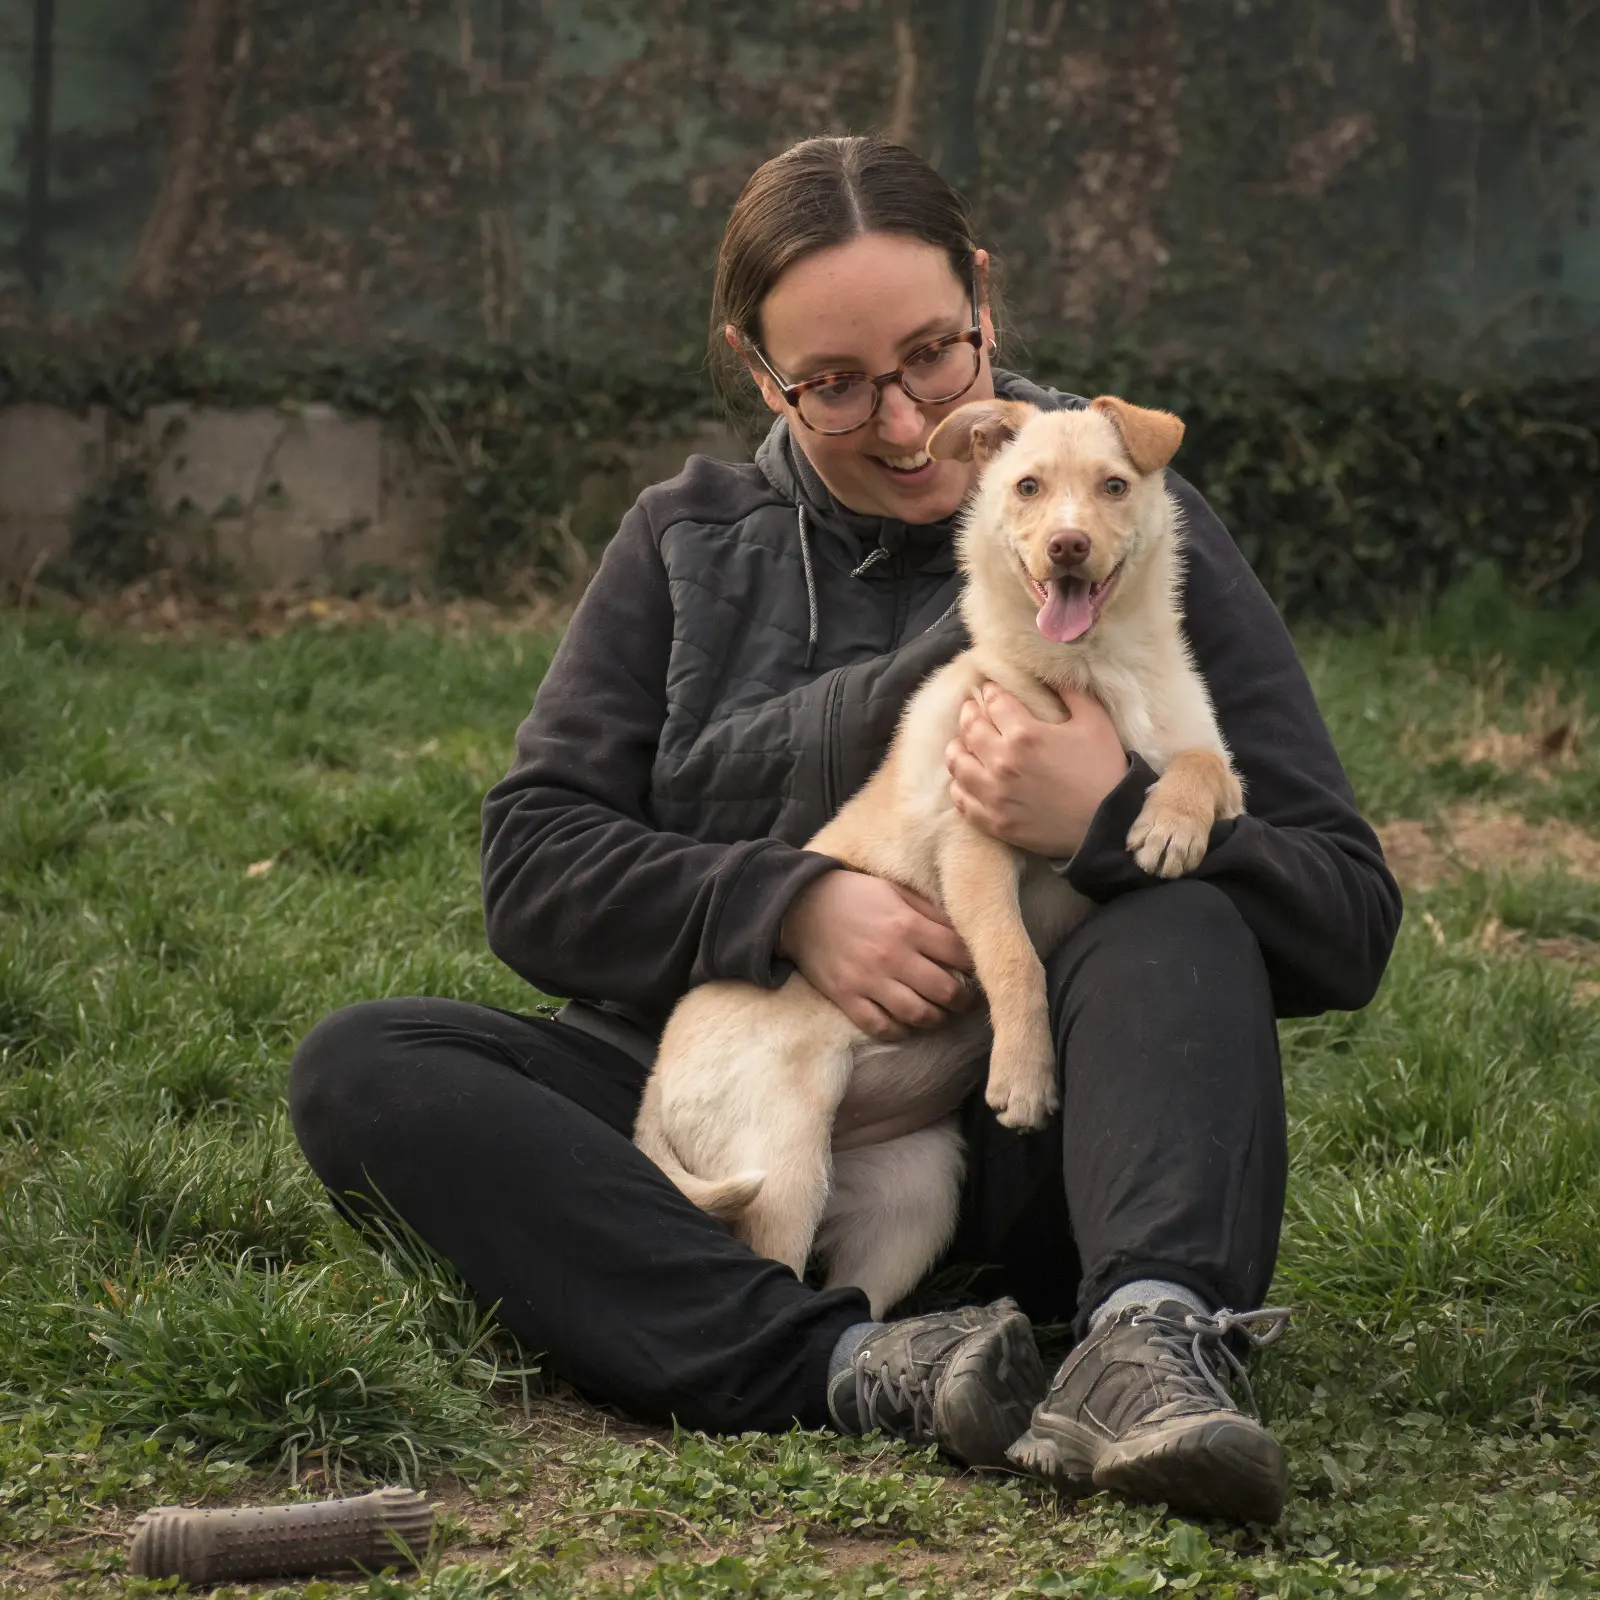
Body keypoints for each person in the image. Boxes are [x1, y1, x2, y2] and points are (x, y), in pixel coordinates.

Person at [289, 135, 1400, 1526]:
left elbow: (1345, 913)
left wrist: (1110, 821)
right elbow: (533, 864)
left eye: (936, 354)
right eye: (832, 385)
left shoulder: (1122, 525)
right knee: (367, 1067)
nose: (897, 419)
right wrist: (793, 902)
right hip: (731, 1085)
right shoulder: (684, 545)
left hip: (1027, 1128)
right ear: (761, 374)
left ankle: (1147, 1338)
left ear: (985, 300)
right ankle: (850, 1363)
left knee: (1179, 909)